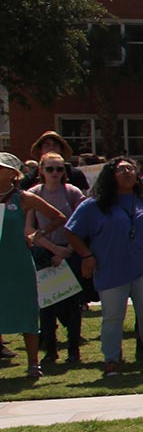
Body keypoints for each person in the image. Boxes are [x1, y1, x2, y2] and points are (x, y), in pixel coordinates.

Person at [64, 157, 143, 373]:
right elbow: (71, 232)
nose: (128, 173)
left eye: (131, 169)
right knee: (112, 317)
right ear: (111, 175)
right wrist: (86, 255)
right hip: (110, 267)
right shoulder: (94, 204)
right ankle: (112, 359)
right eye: (122, 170)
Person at [1, 153, 75, 379]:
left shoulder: (23, 198)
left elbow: (59, 217)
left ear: (13, 174)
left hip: (18, 262)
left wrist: (36, 234)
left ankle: (33, 363)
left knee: (26, 308)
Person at [25, 152, 88, 369]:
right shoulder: (33, 194)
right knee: (47, 306)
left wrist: (66, 250)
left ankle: (73, 350)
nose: (55, 173)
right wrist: (52, 249)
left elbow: (82, 223)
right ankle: (50, 351)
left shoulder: (72, 193)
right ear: (41, 170)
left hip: (69, 252)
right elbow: (29, 229)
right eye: (50, 169)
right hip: (44, 253)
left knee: (72, 305)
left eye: (60, 169)